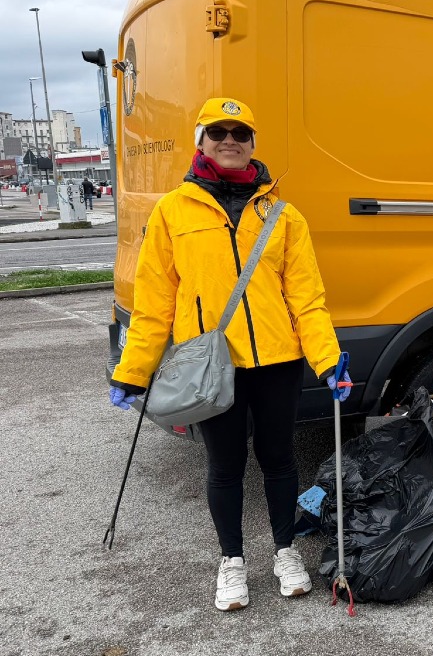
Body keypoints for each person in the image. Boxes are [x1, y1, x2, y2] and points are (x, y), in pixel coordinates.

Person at [108, 97, 350, 611]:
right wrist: (134, 371)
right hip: (211, 366)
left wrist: (328, 360)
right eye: (217, 131)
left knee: (280, 460)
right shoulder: (173, 212)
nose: (229, 140)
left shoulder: (283, 214)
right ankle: (232, 561)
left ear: (253, 143)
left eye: (240, 132)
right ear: (201, 141)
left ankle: (285, 551)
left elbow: (306, 298)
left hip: (277, 362)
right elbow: (155, 304)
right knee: (225, 464)